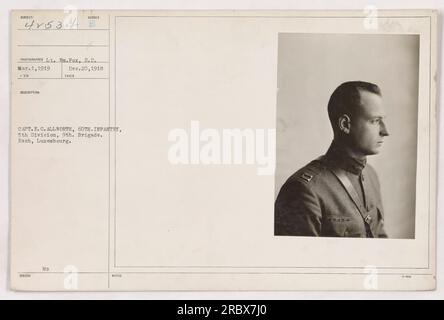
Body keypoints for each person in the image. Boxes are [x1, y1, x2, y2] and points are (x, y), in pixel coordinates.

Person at [275, 81, 389, 238]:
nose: (385, 131)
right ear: (345, 124)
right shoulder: (303, 191)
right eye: (375, 121)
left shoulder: (371, 176)